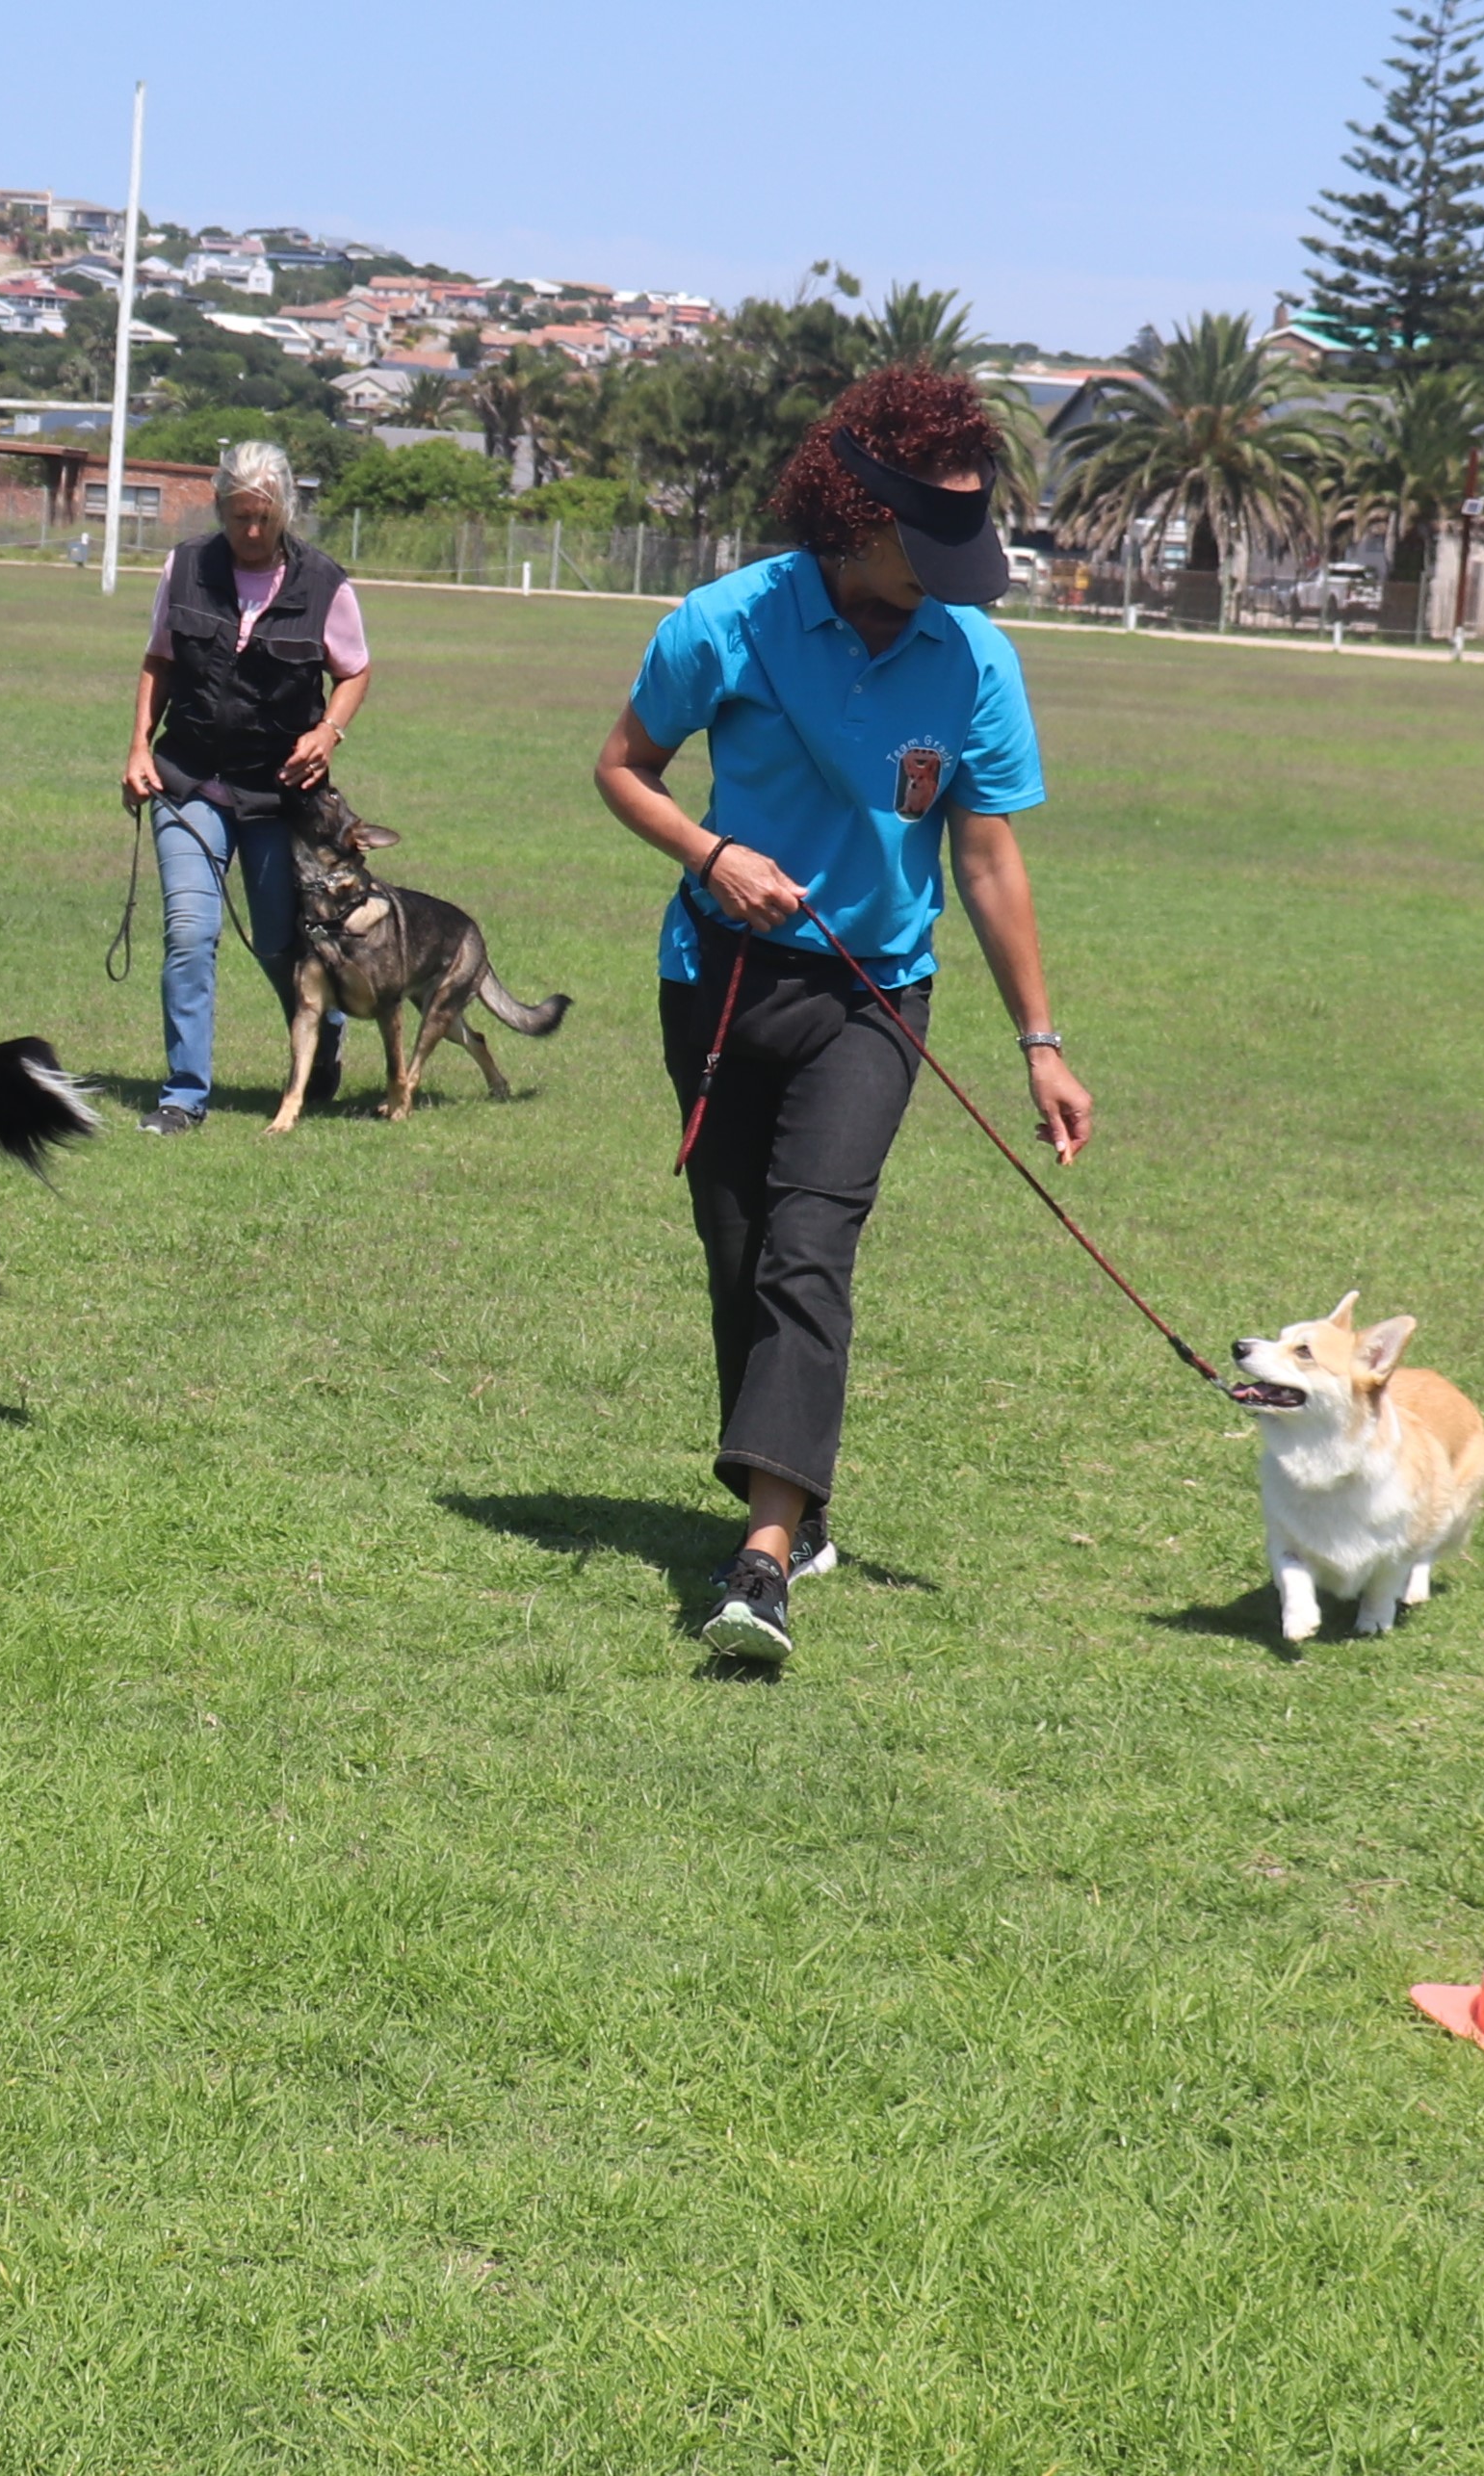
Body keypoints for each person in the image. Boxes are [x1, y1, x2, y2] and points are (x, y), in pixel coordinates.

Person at [591, 366, 1096, 1670]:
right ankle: (794, 1491)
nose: (949, 575)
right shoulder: (724, 621)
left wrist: (1040, 1042)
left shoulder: (974, 658)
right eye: (927, 543)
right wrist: (711, 855)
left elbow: (985, 858)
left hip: (875, 996)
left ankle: (761, 1559)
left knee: (809, 1246)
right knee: (740, 1257)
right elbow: (622, 769)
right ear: (857, 515)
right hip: (719, 979)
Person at [117, 437, 374, 1134]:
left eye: (263, 517)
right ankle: (183, 1096)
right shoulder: (186, 568)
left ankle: (322, 1036)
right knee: (189, 932)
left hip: (277, 795)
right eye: (238, 517)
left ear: (284, 510)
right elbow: (159, 660)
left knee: (276, 942)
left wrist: (329, 732)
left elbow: (354, 670)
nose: (251, 532)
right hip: (189, 779)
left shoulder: (325, 584)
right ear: (220, 509)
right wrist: (139, 747)